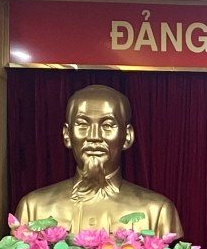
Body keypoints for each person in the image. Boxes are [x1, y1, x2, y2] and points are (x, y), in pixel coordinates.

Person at [15, 85, 183, 237]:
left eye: (107, 125)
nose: (94, 136)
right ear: (67, 135)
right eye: (82, 125)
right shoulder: (33, 208)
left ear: (127, 136)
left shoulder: (157, 211)